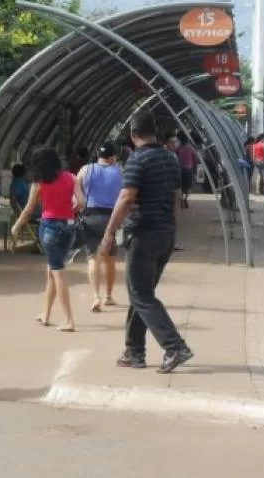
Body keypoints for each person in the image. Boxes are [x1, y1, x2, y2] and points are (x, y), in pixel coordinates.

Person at [99, 111, 193, 373]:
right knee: (141, 295)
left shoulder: (137, 160)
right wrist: (171, 230)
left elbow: (127, 198)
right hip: (165, 233)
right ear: (155, 132)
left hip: (143, 234)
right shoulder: (170, 158)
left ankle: (174, 346)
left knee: (140, 295)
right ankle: (134, 352)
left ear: (133, 135)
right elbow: (176, 198)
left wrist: (109, 233)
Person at [12, 145, 85, 332]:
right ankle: (46, 313)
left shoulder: (38, 183)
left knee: (57, 273)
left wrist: (17, 225)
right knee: (51, 271)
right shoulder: (71, 177)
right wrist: (71, 211)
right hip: (69, 228)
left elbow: (28, 210)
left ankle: (69, 320)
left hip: (49, 228)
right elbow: (82, 203)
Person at [77, 141, 124, 312]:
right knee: (109, 258)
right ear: (113, 157)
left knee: (92, 258)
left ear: (98, 156)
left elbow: (76, 193)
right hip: (110, 219)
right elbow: (123, 195)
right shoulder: (119, 171)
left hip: (90, 216)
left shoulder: (85, 170)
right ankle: (108, 296)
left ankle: (96, 296)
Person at [175, 132, 198, 209]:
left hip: (180, 169)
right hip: (189, 169)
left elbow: (176, 156)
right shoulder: (191, 148)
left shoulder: (178, 148)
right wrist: (195, 168)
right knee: (188, 186)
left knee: (181, 186)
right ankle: (185, 198)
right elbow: (195, 158)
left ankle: (181, 199)